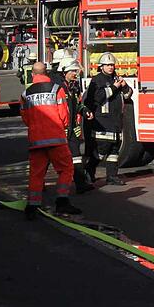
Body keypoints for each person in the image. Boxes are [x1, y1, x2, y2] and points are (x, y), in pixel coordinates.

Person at [22, 62, 82, 219]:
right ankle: (62, 201)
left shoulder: (26, 93)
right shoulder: (56, 89)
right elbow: (64, 115)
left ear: (33, 75)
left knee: (36, 173)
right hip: (56, 138)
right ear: (46, 73)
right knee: (66, 169)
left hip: (36, 140)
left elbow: (25, 118)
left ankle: (32, 206)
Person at [84, 52, 132, 186]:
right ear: (101, 66)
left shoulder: (116, 78)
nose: (111, 67)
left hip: (116, 121)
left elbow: (128, 96)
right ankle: (89, 172)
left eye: (112, 65)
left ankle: (112, 176)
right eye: (108, 65)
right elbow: (97, 98)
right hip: (103, 122)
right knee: (100, 152)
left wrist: (124, 86)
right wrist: (114, 87)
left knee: (114, 152)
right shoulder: (97, 80)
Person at [60, 61, 92, 193]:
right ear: (65, 72)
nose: (75, 73)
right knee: (53, 158)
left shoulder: (72, 87)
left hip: (71, 129)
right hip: (62, 130)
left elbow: (77, 105)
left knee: (77, 156)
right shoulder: (60, 89)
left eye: (75, 71)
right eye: (72, 71)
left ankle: (80, 184)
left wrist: (85, 111)